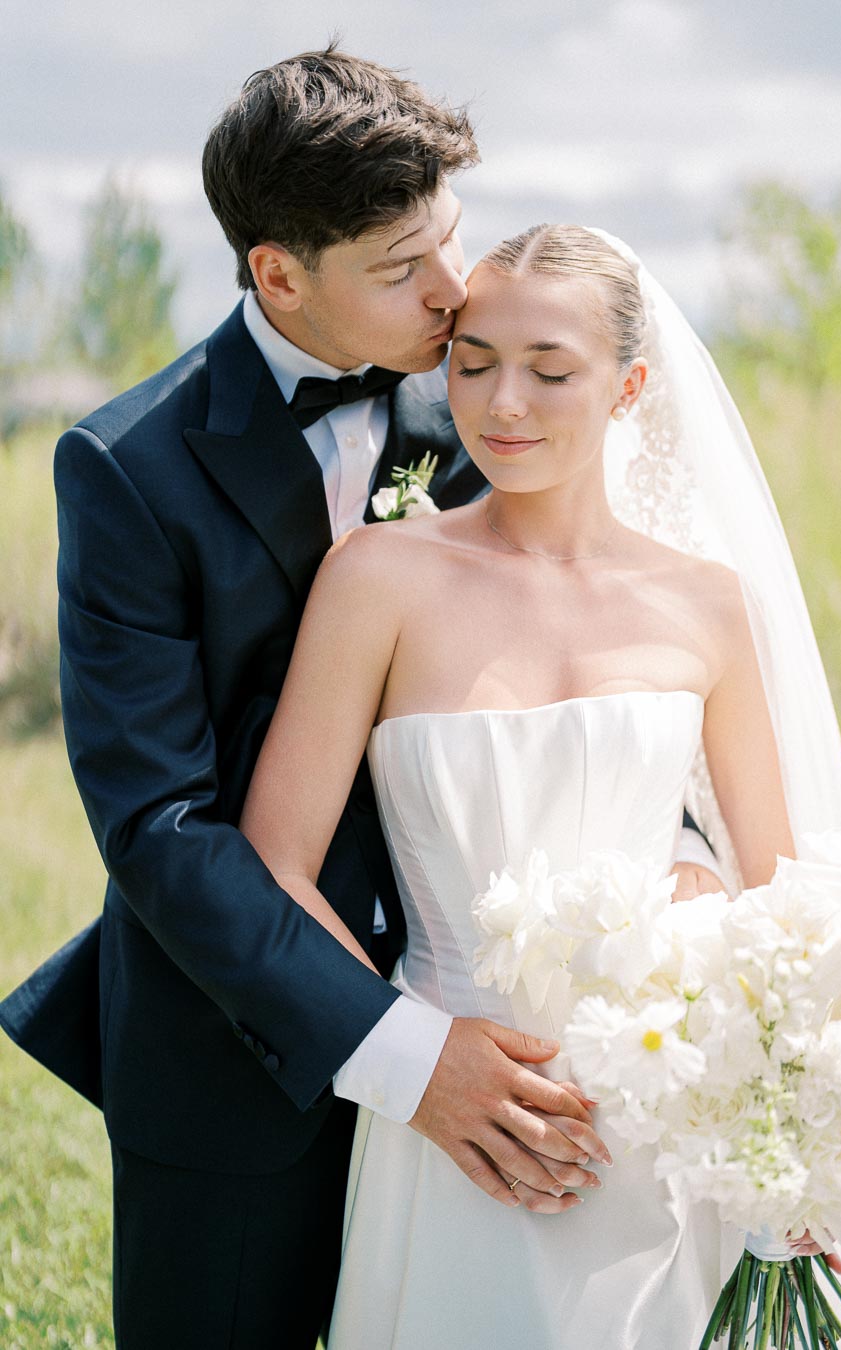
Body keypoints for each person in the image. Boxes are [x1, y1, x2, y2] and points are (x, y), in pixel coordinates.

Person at [0, 51, 720, 1350]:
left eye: (449, 236)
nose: (454, 292)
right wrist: (407, 1052)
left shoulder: (496, 403)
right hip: (237, 1056)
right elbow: (160, 826)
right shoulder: (127, 471)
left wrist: (664, 855)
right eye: (402, 268)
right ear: (281, 273)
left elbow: (601, 655)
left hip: (526, 1050)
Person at [238, 223, 841, 1348]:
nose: (502, 405)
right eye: (475, 361)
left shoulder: (705, 603)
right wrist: (416, 1064)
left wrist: (773, 1126)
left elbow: (779, 898)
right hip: (454, 1120)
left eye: (550, 371)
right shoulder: (379, 579)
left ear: (631, 386)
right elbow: (275, 865)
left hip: (665, 1125)